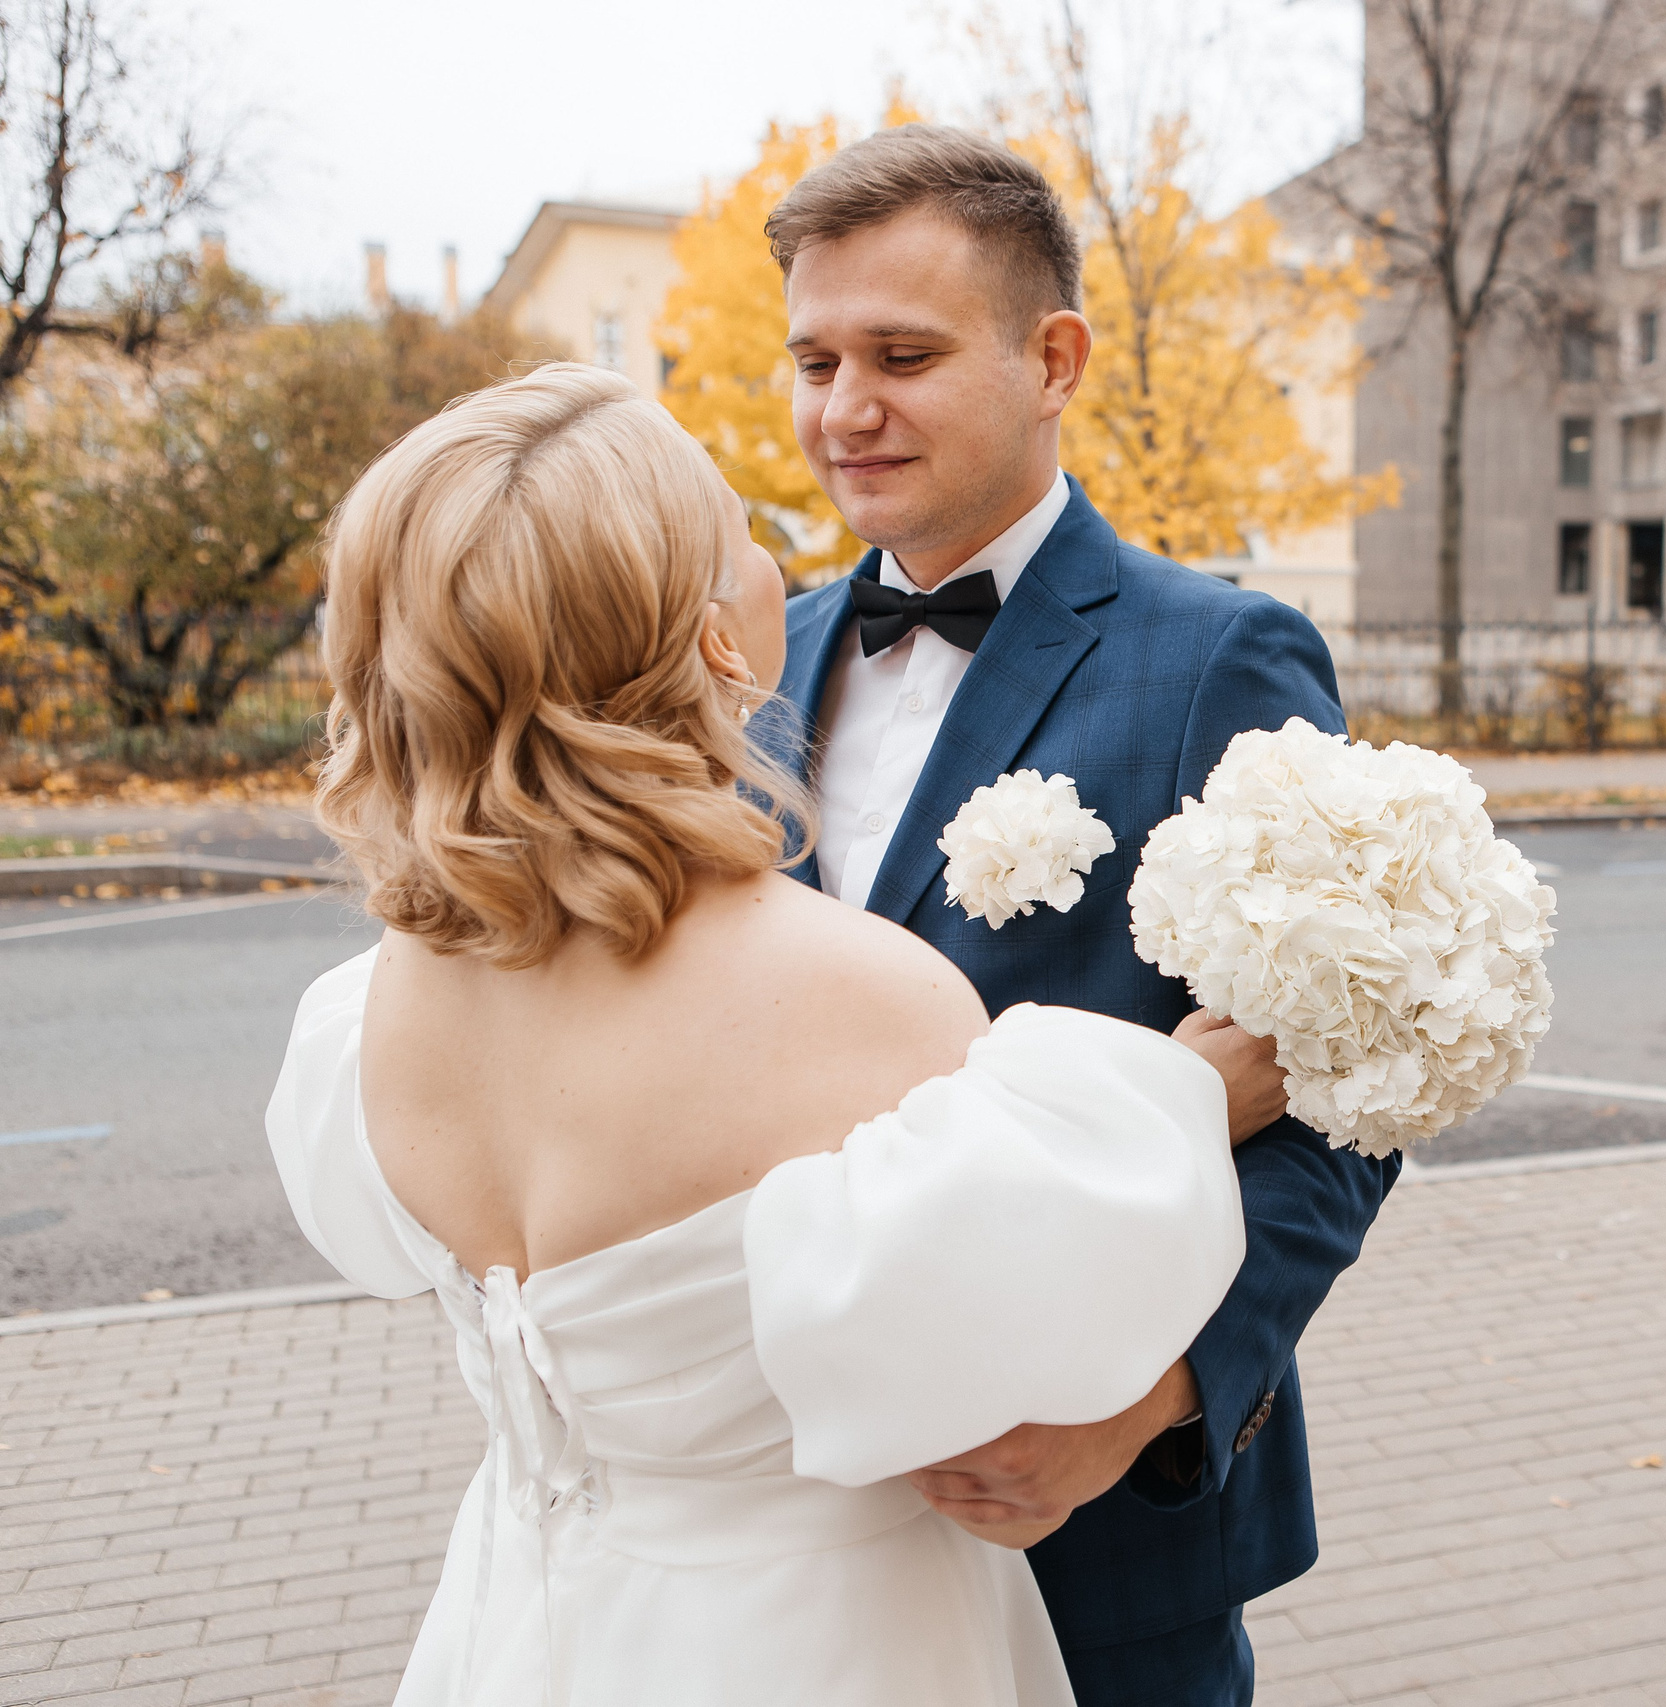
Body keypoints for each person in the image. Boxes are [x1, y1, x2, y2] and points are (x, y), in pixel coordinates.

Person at [267, 361, 1292, 1705]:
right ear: (713, 644)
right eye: (742, 531)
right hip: (832, 1639)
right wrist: (1178, 1098)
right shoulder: (870, 999)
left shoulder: (374, 1010)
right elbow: (999, 1326)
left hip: (523, 1625)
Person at [761, 124, 1397, 1706]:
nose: (845, 409)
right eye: (816, 360)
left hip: (1095, 1530)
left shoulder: (1220, 657)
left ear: (1053, 360)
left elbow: (1347, 1099)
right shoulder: (755, 661)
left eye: (902, 355)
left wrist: (1145, 1406)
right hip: (795, 1517)